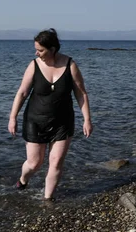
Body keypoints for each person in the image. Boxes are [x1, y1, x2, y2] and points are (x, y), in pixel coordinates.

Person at [8, 28, 92, 201]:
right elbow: (22, 93)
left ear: (53, 49)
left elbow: (81, 93)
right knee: (34, 163)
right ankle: (23, 179)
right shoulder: (34, 65)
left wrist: (87, 119)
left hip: (63, 121)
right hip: (35, 120)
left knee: (56, 161)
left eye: (40, 50)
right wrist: (12, 117)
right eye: (36, 49)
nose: (37, 53)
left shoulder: (70, 65)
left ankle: (48, 200)